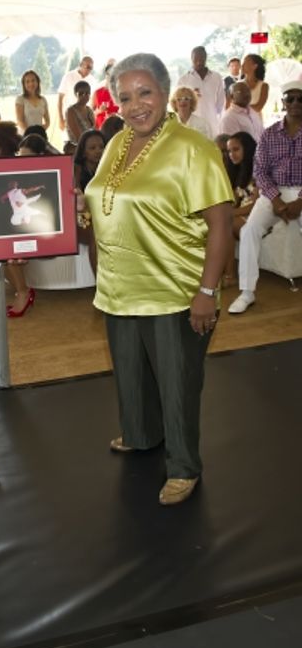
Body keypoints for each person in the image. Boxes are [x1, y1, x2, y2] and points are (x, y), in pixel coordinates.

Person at [83, 53, 233, 505]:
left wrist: (206, 292)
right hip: (119, 287)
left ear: (166, 93)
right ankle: (141, 433)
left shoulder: (193, 148)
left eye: (144, 93)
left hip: (174, 290)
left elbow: (221, 224)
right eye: (125, 97)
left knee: (177, 383)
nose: (135, 105)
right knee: (130, 373)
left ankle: (184, 466)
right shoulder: (116, 142)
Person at [228, 80, 302, 315]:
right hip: (274, 192)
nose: (295, 103)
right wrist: (276, 200)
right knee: (249, 230)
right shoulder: (269, 134)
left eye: (300, 99)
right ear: (283, 102)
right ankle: (247, 292)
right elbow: (260, 171)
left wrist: (299, 202)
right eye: (290, 98)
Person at [222, 132, 258, 287]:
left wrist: (230, 213)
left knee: (227, 223)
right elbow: (234, 201)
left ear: (247, 149)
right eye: (229, 151)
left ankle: (229, 275)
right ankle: (222, 272)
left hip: (257, 217)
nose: (231, 155)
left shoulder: (259, 171)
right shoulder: (237, 172)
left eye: (236, 149)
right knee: (219, 221)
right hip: (239, 216)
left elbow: (255, 206)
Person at [73, 129, 105, 274]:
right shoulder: (76, 170)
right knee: (95, 234)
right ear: (83, 152)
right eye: (92, 148)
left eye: (101, 147)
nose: (98, 151)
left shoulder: (110, 168)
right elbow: (77, 199)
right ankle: (99, 281)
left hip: (102, 215)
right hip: (82, 217)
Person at [177, 46, 225, 136]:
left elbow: (221, 104)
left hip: (212, 125)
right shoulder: (184, 80)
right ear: (191, 59)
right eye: (196, 59)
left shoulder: (216, 77)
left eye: (201, 59)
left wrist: (212, 114)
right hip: (193, 127)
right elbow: (178, 105)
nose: (199, 62)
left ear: (205, 58)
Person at [57, 55, 95, 131]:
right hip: (69, 117)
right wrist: (61, 119)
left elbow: (92, 102)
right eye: (87, 67)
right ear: (81, 64)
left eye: (91, 68)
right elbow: (60, 99)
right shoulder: (68, 76)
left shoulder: (92, 80)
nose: (89, 70)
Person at [65, 81, 95, 147]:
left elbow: (94, 130)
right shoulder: (71, 111)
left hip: (91, 146)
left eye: (87, 93)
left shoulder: (89, 110)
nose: (84, 96)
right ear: (75, 94)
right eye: (81, 93)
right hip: (77, 147)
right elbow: (78, 136)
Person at [91, 62, 119, 128]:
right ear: (106, 75)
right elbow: (90, 115)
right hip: (100, 129)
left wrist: (116, 115)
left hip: (116, 129)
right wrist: (99, 111)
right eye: (109, 74)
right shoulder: (97, 92)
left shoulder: (120, 93)